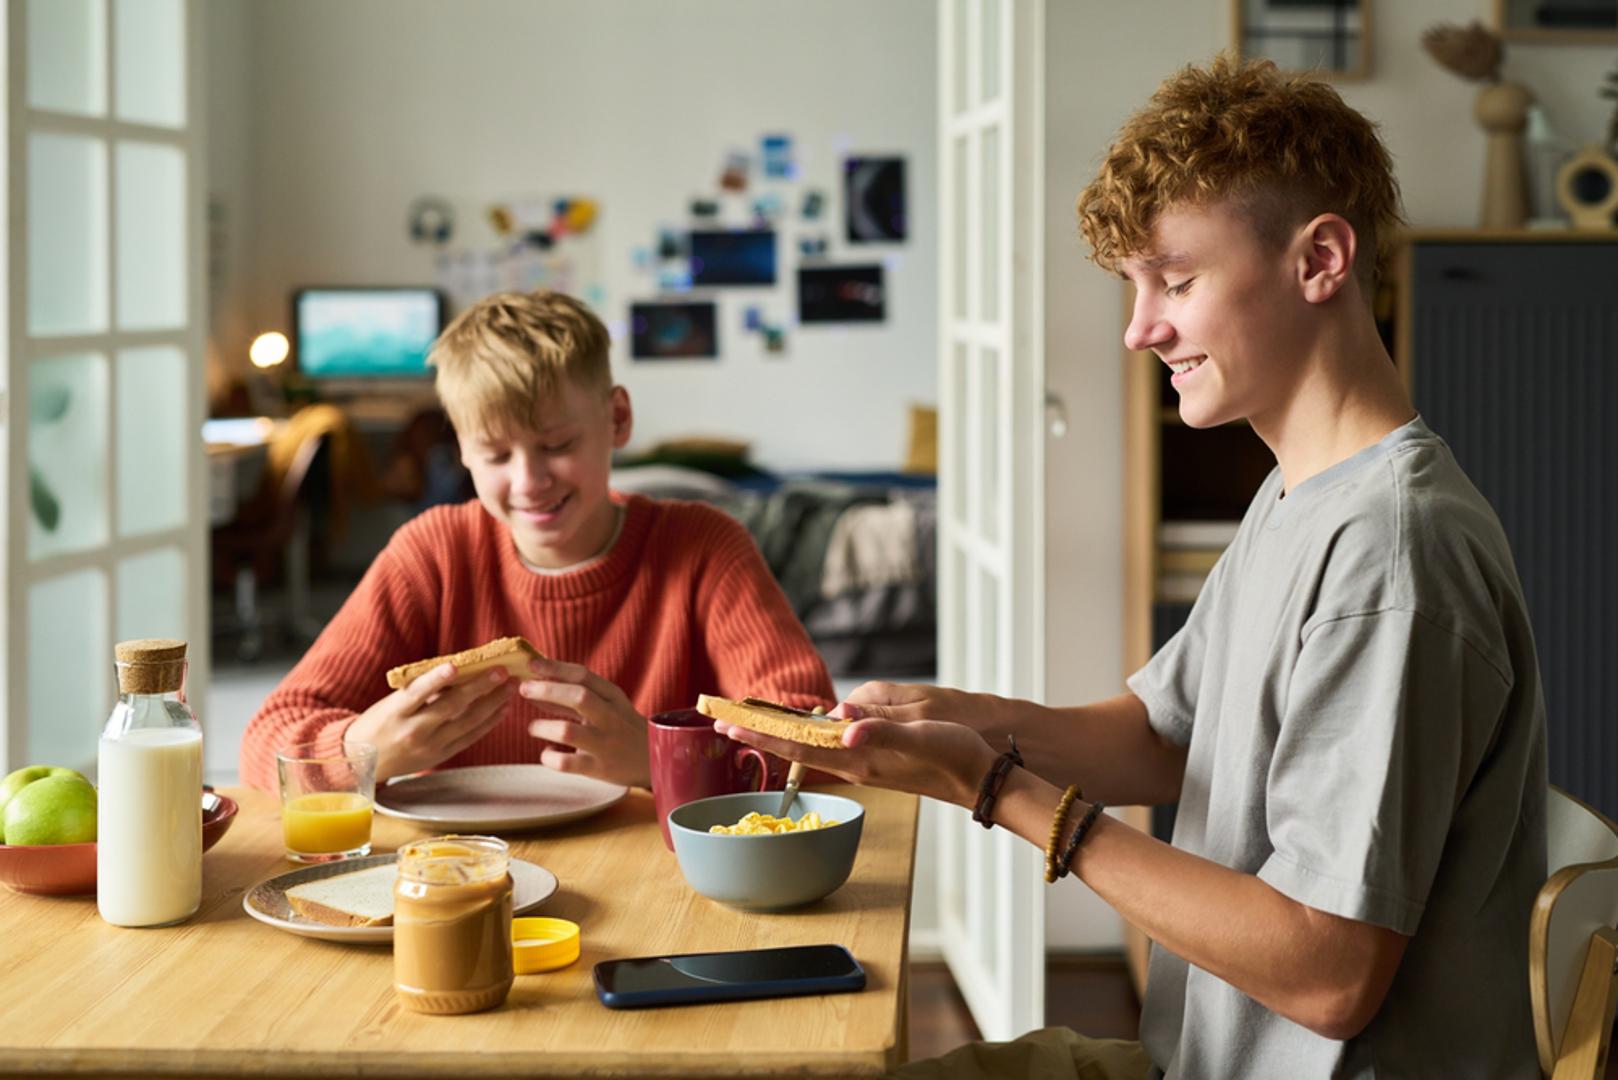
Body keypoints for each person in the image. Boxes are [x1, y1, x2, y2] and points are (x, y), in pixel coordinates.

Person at [718, 56, 1549, 1080]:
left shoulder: (1393, 552)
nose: (1138, 328)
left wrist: (997, 787)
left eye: (1177, 280)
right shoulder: (1300, 491)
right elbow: (1166, 740)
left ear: (1320, 258)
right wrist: (952, 719)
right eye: (1135, 286)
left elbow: (1329, 974)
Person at [240, 289, 833, 792]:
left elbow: (816, 738)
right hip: (462, 875)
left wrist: (658, 758)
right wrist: (358, 752)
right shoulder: (432, 553)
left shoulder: (705, 547)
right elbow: (265, 743)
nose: (529, 481)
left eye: (557, 445)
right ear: (462, 450)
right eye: (497, 454)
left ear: (617, 419)